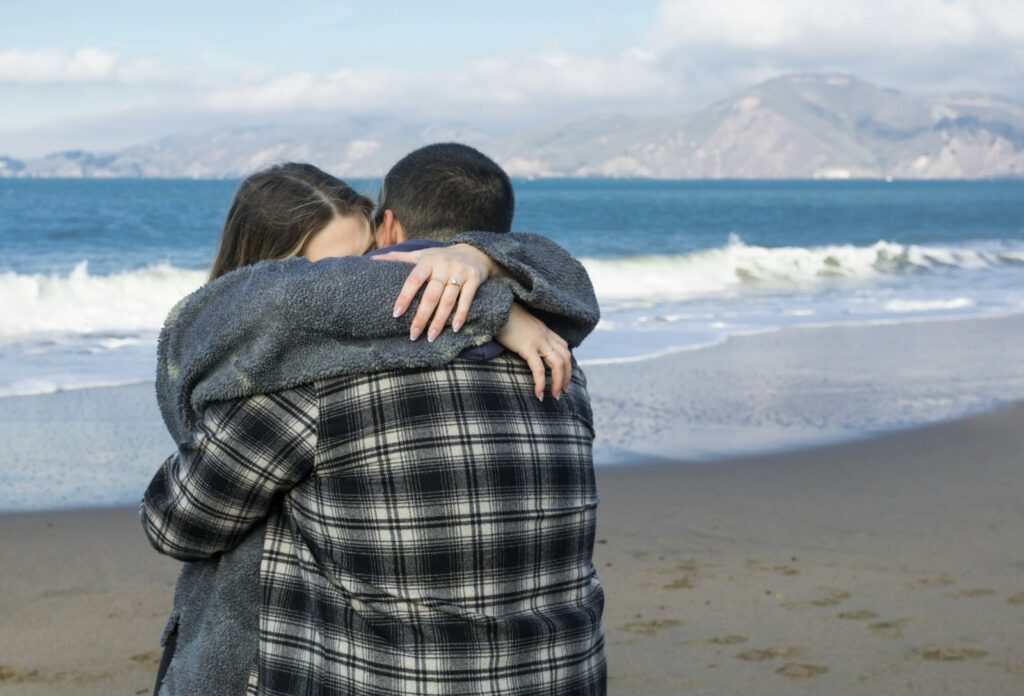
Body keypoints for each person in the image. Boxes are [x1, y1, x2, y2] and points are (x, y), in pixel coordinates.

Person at [143, 145, 605, 694]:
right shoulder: (559, 365)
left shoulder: (311, 384)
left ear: (387, 230)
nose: (356, 284)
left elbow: (176, 525)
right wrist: (494, 299)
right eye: (331, 277)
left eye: (357, 268)